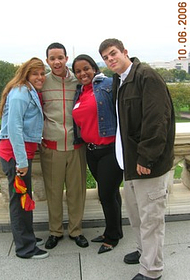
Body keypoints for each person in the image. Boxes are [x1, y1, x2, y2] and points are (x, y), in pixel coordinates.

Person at [99, 39, 175, 280]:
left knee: (151, 219)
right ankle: (144, 253)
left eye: (113, 54)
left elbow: (156, 120)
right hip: (129, 164)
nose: (110, 59)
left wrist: (147, 158)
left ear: (125, 52)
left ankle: (152, 270)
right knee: (136, 215)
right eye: (106, 57)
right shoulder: (119, 81)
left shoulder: (146, 76)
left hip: (147, 165)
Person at [72, 54, 124, 254]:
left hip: (110, 150)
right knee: (111, 194)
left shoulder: (108, 85)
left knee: (105, 195)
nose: (82, 73)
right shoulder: (80, 92)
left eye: (86, 68)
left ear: (94, 68)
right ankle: (115, 230)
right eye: (78, 71)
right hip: (91, 151)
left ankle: (111, 238)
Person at [0, 57, 49, 259]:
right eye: (35, 73)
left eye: (41, 73)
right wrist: (21, 162)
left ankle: (26, 237)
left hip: (20, 153)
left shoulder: (27, 90)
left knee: (23, 198)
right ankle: (25, 248)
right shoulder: (21, 93)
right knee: (20, 201)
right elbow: (14, 128)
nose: (39, 77)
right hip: (15, 155)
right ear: (26, 74)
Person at [40, 43, 88, 249]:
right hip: (51, 147)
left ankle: (76, 231)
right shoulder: (41, 82)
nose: (56, 62)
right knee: (53, 191)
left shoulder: (78, 81)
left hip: (77, 146)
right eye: (52, 58)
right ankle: (55, 231)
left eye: (60, 57)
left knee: (77, 192)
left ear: (66, 58)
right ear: (48, 61)